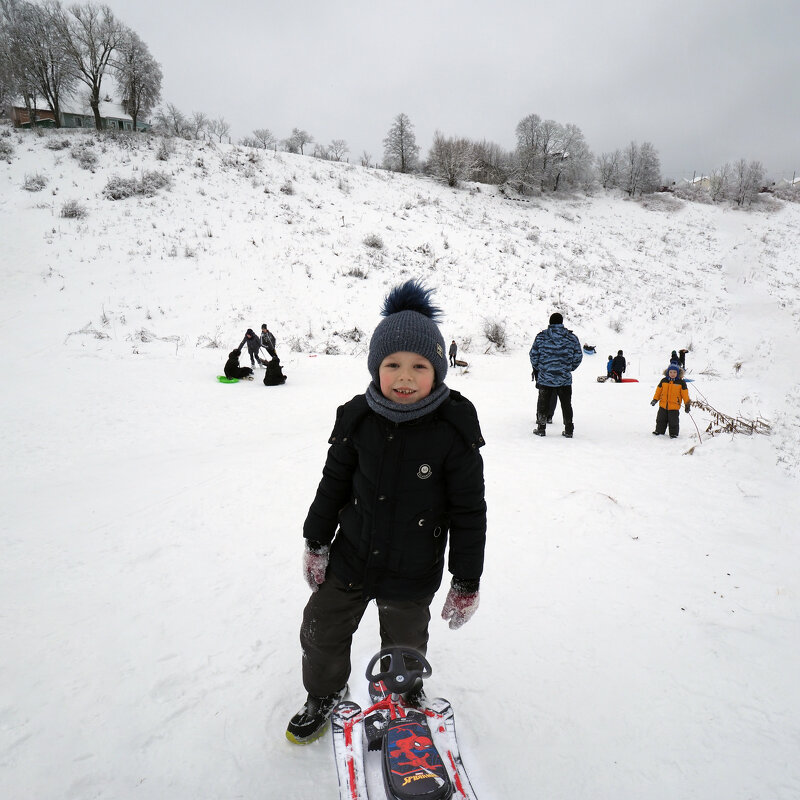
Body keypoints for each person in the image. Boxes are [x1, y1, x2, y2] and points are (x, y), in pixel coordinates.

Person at [286, 279, 487, 744]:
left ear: (438, 371)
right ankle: (324, 692)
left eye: (419, 366)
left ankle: (402, 694)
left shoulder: (453, 433)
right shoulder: (358, 420)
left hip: (412, 569)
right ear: (376, 368)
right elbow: (333, 485)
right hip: (351, 557)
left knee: (404, 646)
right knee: (320, 631)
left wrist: (467, 579)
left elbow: (469, 512)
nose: (404, 377)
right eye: (392, 364)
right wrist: (316, 540)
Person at [529, 312, 582, 438]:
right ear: (562, 322)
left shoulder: (541, 337)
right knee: (566, 404)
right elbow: (578, 356)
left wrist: (541, 369)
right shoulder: (571, 338)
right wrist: (569, 368)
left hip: (545, 378)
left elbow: (533, 355)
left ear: (550, 322)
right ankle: (569, 429)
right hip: (564, 378)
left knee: (543, 403)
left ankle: (541, 428)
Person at [651, 364, 691, 438]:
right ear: (668, 372)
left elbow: (685, 395)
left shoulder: (681, 383)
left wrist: (687, 404)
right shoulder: (663, 381)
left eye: (674, 372)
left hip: (674, 407)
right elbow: (658, 391)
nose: (672, 374)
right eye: (671, 372)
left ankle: (673, 433)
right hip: (663, 405)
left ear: (678, 373)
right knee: (660, 419)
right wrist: (655, 399)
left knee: (673, 421)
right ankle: (659, 431)